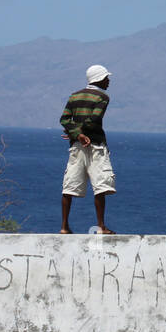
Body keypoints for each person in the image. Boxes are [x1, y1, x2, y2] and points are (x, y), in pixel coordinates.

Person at [59, 65, 116, 234]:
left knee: (69, 186)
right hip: (96, 145)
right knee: (100, 186)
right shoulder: (102, 97)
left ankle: (64, 226)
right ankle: (101, 226)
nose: (108, 81)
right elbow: (94, 119)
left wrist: (75, 134)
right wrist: (81, 134)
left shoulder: (74, 96)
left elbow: (64, 119)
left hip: (77, 146)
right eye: (106, 78)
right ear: (99, 79)